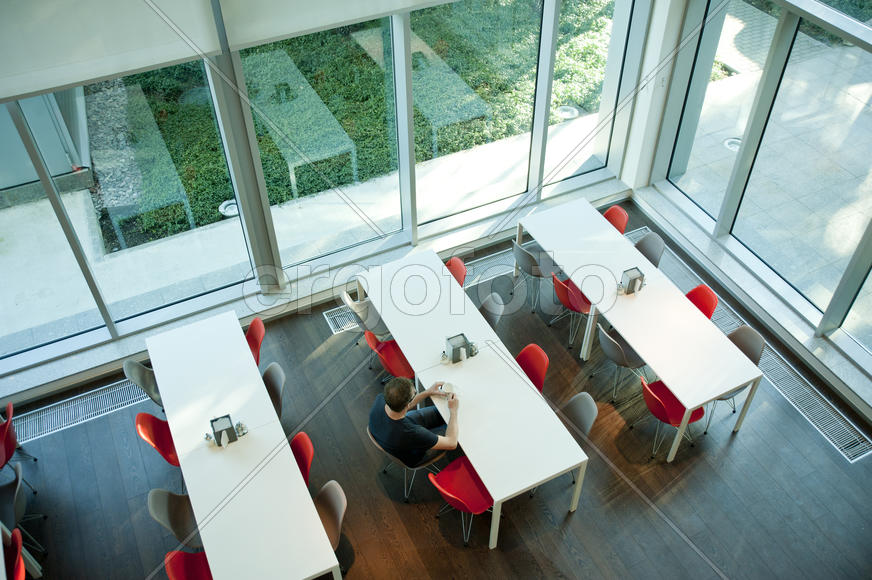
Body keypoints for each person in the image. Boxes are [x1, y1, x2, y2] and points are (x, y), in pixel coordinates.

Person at [368, 377, 459, 467]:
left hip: (392, 432)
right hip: (414, 454)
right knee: (456, 427)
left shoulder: (382, 398)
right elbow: (451, 443)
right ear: (407, 404)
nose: (416, 393)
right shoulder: (411, 432)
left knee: (441, 412)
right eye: (414, 393)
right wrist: (453, 411)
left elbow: (407, 404)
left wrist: (428, 391)